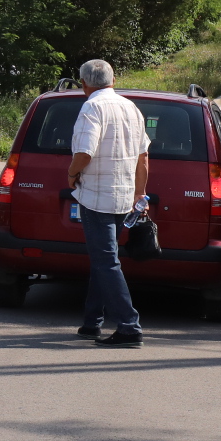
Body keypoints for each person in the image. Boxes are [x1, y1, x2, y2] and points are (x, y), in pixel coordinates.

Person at [67, 58, 151, 348]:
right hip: (124, 196)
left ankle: (129, 326)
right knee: (104, 260)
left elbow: (84, 153)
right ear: (113, 81)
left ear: (84, 84)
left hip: (97, 197)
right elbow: (144, 157)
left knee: (106, 262)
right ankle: (92, 322)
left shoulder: (91, 107)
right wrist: (140, 193)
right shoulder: (131, 108)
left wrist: (71, 173)